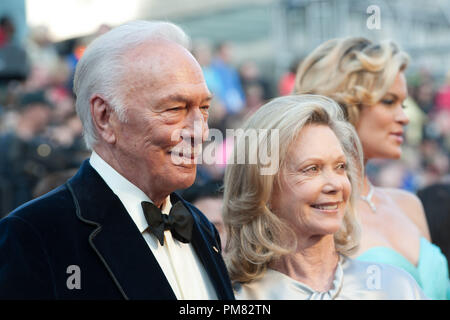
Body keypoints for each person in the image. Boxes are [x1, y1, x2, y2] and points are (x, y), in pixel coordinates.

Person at [0, 20, 235, 300]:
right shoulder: (32, 235)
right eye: (175, 109)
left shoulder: (201, 225)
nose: (201, 131)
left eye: (204, 108)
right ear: (105, 117)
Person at [223, 94, 426, 299]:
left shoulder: (395, 287)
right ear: (262, 186)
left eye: (340, 167)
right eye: (311, 169)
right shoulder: (232, 298)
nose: (336, 184)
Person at [294, 37, 450, 299]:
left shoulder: (409, 204)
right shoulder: (315, 213)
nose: (404, 116)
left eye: (403, 103)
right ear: (345, 105)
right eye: (389, 102)